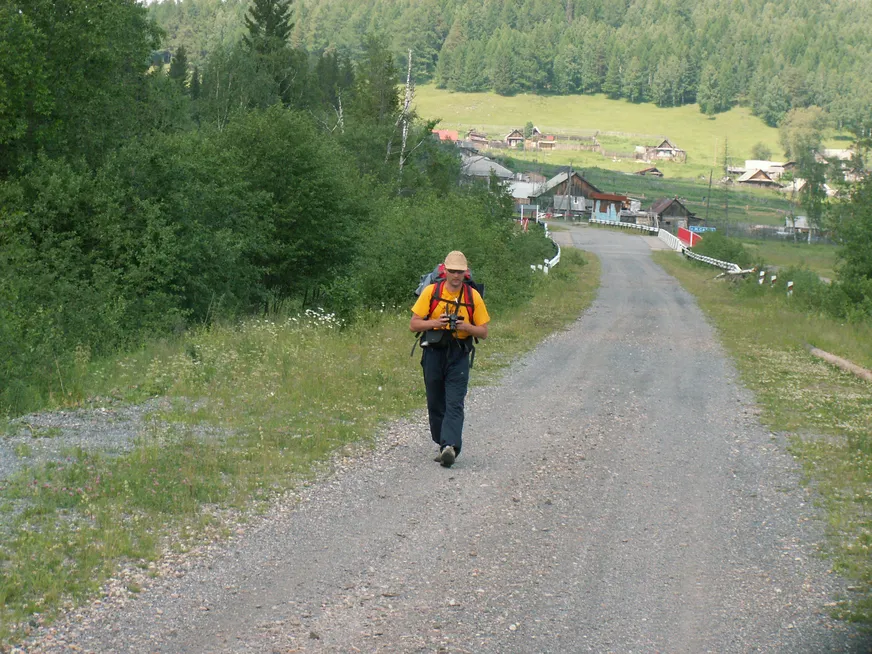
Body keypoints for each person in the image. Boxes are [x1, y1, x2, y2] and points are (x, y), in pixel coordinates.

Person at [410, 251, 490, 467]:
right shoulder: (431, 292)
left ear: (466, 273)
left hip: (459, 353)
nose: (456, 276)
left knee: (454, 402)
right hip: (433, 352)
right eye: (452, 271)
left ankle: (450, 446)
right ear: (445, 271)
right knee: (435, 401)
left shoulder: (473, 296)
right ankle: (442, 443)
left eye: (460, 272)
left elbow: (483, 332)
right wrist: (436, 323)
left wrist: (466, 327)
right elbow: (414, 324)